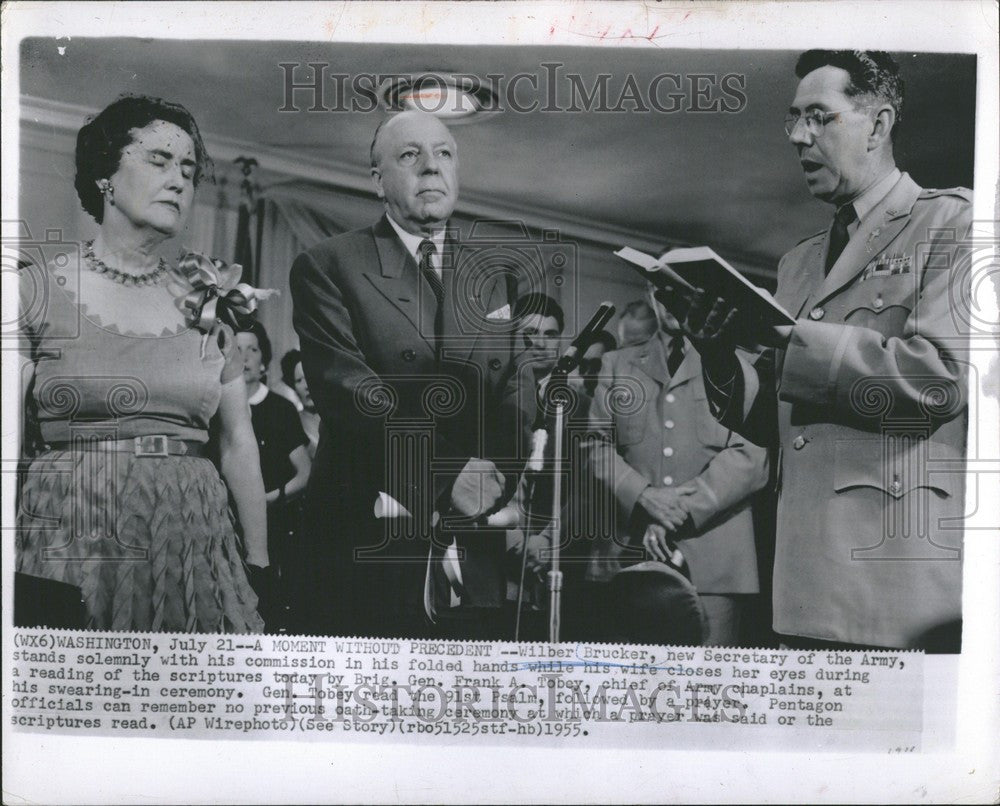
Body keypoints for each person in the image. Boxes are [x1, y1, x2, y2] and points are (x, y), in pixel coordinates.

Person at [665, 50, 970, 650]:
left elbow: (938, 380)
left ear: (877, 125)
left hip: (893, 581)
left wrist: (786, 340)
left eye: (819, 117)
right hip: (801, 582)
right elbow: (778, 423)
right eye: (793, 119)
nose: (798, 136)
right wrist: (718, 352)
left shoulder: (951, 224)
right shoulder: (798, 261)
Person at [16, 95, 268, 632]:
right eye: (158, 160)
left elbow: (238, 441)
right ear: (106, 173)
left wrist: (261, 565)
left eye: (188, 169)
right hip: (71, 527)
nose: (178, 179)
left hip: (191, 537)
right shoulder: (33, 290)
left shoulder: (207, 299)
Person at [289, 110, 520, 639]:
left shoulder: (493, 274)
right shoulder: (329, 263)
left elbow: (515, 386)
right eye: (410, 155)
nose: (431, 169)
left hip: (474, 532)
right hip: (365, 533)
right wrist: (447, 472)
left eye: (444, 154)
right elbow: (350, 390)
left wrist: (493, 478)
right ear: (378, 180)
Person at [586, 287, 769, 645]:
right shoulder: (617, 364)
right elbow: (594, 443)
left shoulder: (740, 364)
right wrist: (643, 496)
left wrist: (677, 508)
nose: (674, 302)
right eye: (664, 291)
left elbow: (751, 456)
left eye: (685, 291)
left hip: (714, 563)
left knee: (708, 687)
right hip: (630, 553)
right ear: (651, 296)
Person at [235, 321, 311, 630]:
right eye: (236, 350)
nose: (244, 358)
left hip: (276, 527)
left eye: (251, 349)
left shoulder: (280, 408)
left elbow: (305, 473)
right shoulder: (215, 409)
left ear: (263, 360)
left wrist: (270, 499)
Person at [281, 348, 320, 459]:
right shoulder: (293, 422)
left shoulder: (335, 417)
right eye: (299, 380)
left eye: (309, 377)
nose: (306, 386)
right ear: (293, 386)